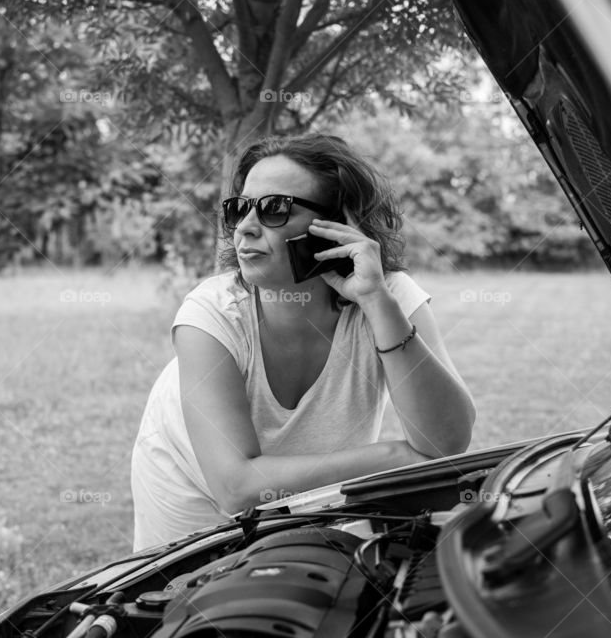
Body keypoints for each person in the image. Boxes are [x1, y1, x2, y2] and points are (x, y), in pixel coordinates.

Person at [129, 134, 475, 551]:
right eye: (239, 208)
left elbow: (446, 440)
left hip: (317, 489)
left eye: (274, 208)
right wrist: (394, 459)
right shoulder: (211, 312)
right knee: (198, 604)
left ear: (339, 225)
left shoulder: (389, 296)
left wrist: (376, 302)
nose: (245, 226)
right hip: (191, 487)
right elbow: (236, 488)